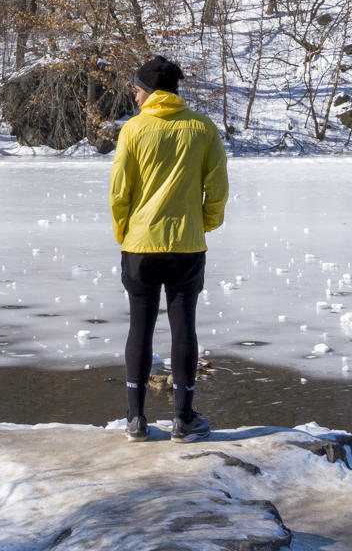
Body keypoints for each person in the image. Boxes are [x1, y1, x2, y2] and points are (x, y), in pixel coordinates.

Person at [108, 55, 228, 443]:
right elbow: (218, 188)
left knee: (139, 326)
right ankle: (183, 419)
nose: (134, 94)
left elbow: (119, 192)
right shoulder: (202, 128)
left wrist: (124, 233)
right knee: (183, 327)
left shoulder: (134, 130)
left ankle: (135, 419)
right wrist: (205, 223)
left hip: (140, 246)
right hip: (187, 246)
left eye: (137, 88)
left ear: (151, 92)